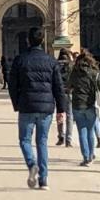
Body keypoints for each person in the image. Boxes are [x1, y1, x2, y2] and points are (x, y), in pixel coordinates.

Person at [8, 28, 68, 191]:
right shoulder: (51, 61)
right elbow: (58, 87)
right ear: (43, 40)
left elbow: (12, 85)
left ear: (28, 40)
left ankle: (31, 163)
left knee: (25, 140)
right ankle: (44, 180)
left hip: (26, 105)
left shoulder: (20, 60)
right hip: (46, 107)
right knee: (42, 142)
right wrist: (61, 109)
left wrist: (16, 103)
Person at [67, 48, 100, 166]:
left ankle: (85, 156)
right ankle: (91, 155)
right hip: (90, 104)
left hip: (78, 104)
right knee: (90, 131)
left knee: (81, 132)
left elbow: (68, 86)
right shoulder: (95, 73)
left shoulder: (74, 72)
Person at [55, 48, 75, 147]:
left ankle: (60, 136)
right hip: (69, 92)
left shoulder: (55, 64)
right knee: (69, 116)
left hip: (59, 93)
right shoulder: (71, 65)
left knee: (59, 114)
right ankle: (69, 139)